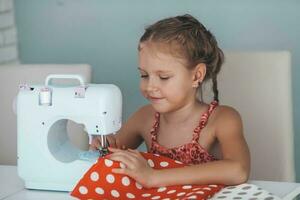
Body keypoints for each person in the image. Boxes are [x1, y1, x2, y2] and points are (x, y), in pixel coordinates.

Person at [90, 14, 250, 188]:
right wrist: (105, 147)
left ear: (197, 75)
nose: (150, 86)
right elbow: (110, 159)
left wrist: (155, 177)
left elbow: (238, 170)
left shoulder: (222, 119)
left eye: (163, 77)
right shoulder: (144, 118)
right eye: (144, 75)